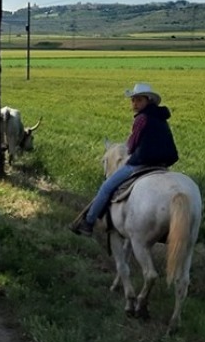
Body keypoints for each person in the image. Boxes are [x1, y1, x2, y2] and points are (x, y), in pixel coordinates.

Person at [71, 82, 179, 236]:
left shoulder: (141, 118)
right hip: (163, 164)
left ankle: (88, 223)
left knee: (106, 188)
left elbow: (131, 145)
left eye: (139, 100)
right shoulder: (161, 117)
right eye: (133, 100)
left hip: (142, 162)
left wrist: (130, 150)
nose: (135, 103)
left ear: (148, 100)